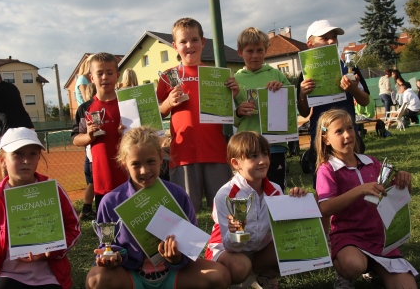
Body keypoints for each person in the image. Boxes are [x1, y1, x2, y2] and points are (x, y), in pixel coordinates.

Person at [85, 127, 231, 289]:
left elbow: (190, 245)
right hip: (131, 276)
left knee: (220, 276)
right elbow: (107, 246)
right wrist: (115, 257)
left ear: (161, 158)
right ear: (124, 163)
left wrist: (176, 258)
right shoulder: (111, 201)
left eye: (150, 161)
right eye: (136, 164)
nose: (144, 170)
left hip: (174, 274)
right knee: (95, 280)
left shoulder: (178, 194)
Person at [0, 127, 81, 289]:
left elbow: (73, 228)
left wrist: (51, 251)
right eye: (17, 154)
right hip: (9, 274)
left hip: (49, 275)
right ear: (2, 160)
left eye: (32, 153)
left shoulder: (53, 191)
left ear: (39, 157)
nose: (26, 160)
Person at [314, 108, 418, 288]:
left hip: (380, 238)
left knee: (407, 286)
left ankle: (374, 267)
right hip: (348, 237)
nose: (347, 135)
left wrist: (402, 177)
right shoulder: (327, 169)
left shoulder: (372, 162)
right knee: (353, 265)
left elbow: (395, 191)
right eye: (339, 131)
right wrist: (360, 190)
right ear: (326, 139)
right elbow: (325, 208)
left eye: (350, 128)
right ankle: (344, 274)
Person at [156, 17, 239, 212]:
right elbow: (156, 111)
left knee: (224, 212)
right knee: (186, 212)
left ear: (203, 42)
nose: (189, 45)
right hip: (183, 154)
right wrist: (168, 103)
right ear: (175, 46)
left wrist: (232, 96)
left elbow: (230, 115)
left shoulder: (216, 75)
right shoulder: (167, 77)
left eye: (194, 40)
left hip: (216, 151)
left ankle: (223, 244)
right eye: (183, 41)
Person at [205, 131, 308, 288]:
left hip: (257, 248)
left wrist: (296, 202)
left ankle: (262, 278)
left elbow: (283, 230)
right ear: (235, 163)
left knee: (294, 244)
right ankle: (234, 282)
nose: (262, 161)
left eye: (265, 154)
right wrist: (236, 233)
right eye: (253, 156)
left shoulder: (275, 190)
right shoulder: (226, 195)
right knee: (241, 267)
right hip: (228, 251)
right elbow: (232, 246)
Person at [296, 19, 370, 189]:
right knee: (325, 185)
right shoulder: (306, 75)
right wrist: (302, 93)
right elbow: (303, 111)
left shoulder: (349, 67)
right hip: (321, 139)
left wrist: (353, 89)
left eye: (334, 37)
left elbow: (365, 101)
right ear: (310, 44)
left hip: (349, 136)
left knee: (355, 180)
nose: (331, 41)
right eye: (324, 38)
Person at [233, 27, 290, 191]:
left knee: (276, 190)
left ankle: (277, 217)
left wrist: (282, 90)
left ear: (266, 50)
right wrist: (238, 111)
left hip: (275, 144)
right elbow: (231, 119)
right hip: (247, 146)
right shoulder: (234, 80)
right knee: (248, 191)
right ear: (240, 52)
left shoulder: (277, 75)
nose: (255, 55)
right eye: (249, 51)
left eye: (260, 50)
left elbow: (291, 106)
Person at [71, 52, 127, 213]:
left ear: (117, 76)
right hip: (103, 180)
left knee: (133, 224)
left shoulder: (127, 103)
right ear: (91, 78)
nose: (105, 77)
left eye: (109, 73)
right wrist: (88, 136)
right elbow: (75, 139)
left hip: (130, 177)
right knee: (108, 228)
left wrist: (128, 132)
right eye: (100, 73)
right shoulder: (85, 109)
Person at [76, 57, 96, 220]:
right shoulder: (86, 108)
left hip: (89, 152)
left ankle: (88, 208)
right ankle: (87, 208)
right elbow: (77, 137)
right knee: (93, 181)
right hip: (91, 152)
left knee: (93, 181)